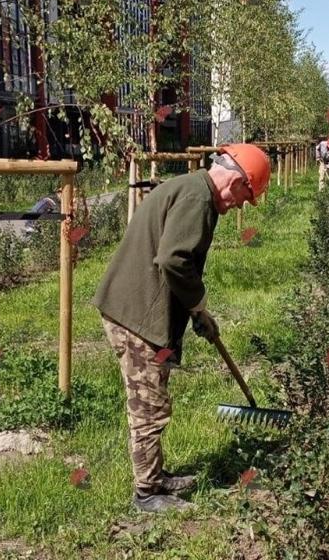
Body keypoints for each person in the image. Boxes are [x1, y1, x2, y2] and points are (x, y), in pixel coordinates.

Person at [93, 144, 271, 513]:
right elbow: (174, 260)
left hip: (139, 307)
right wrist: (198, 304)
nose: (240, 205)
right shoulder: (198, 199)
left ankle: (155, 477)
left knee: (154, 398)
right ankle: (146, 494)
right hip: (137, 315)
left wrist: (195, 314)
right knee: (149, 406)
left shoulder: (193, 188)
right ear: (236, 180)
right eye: (245, 196)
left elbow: (176, 260)